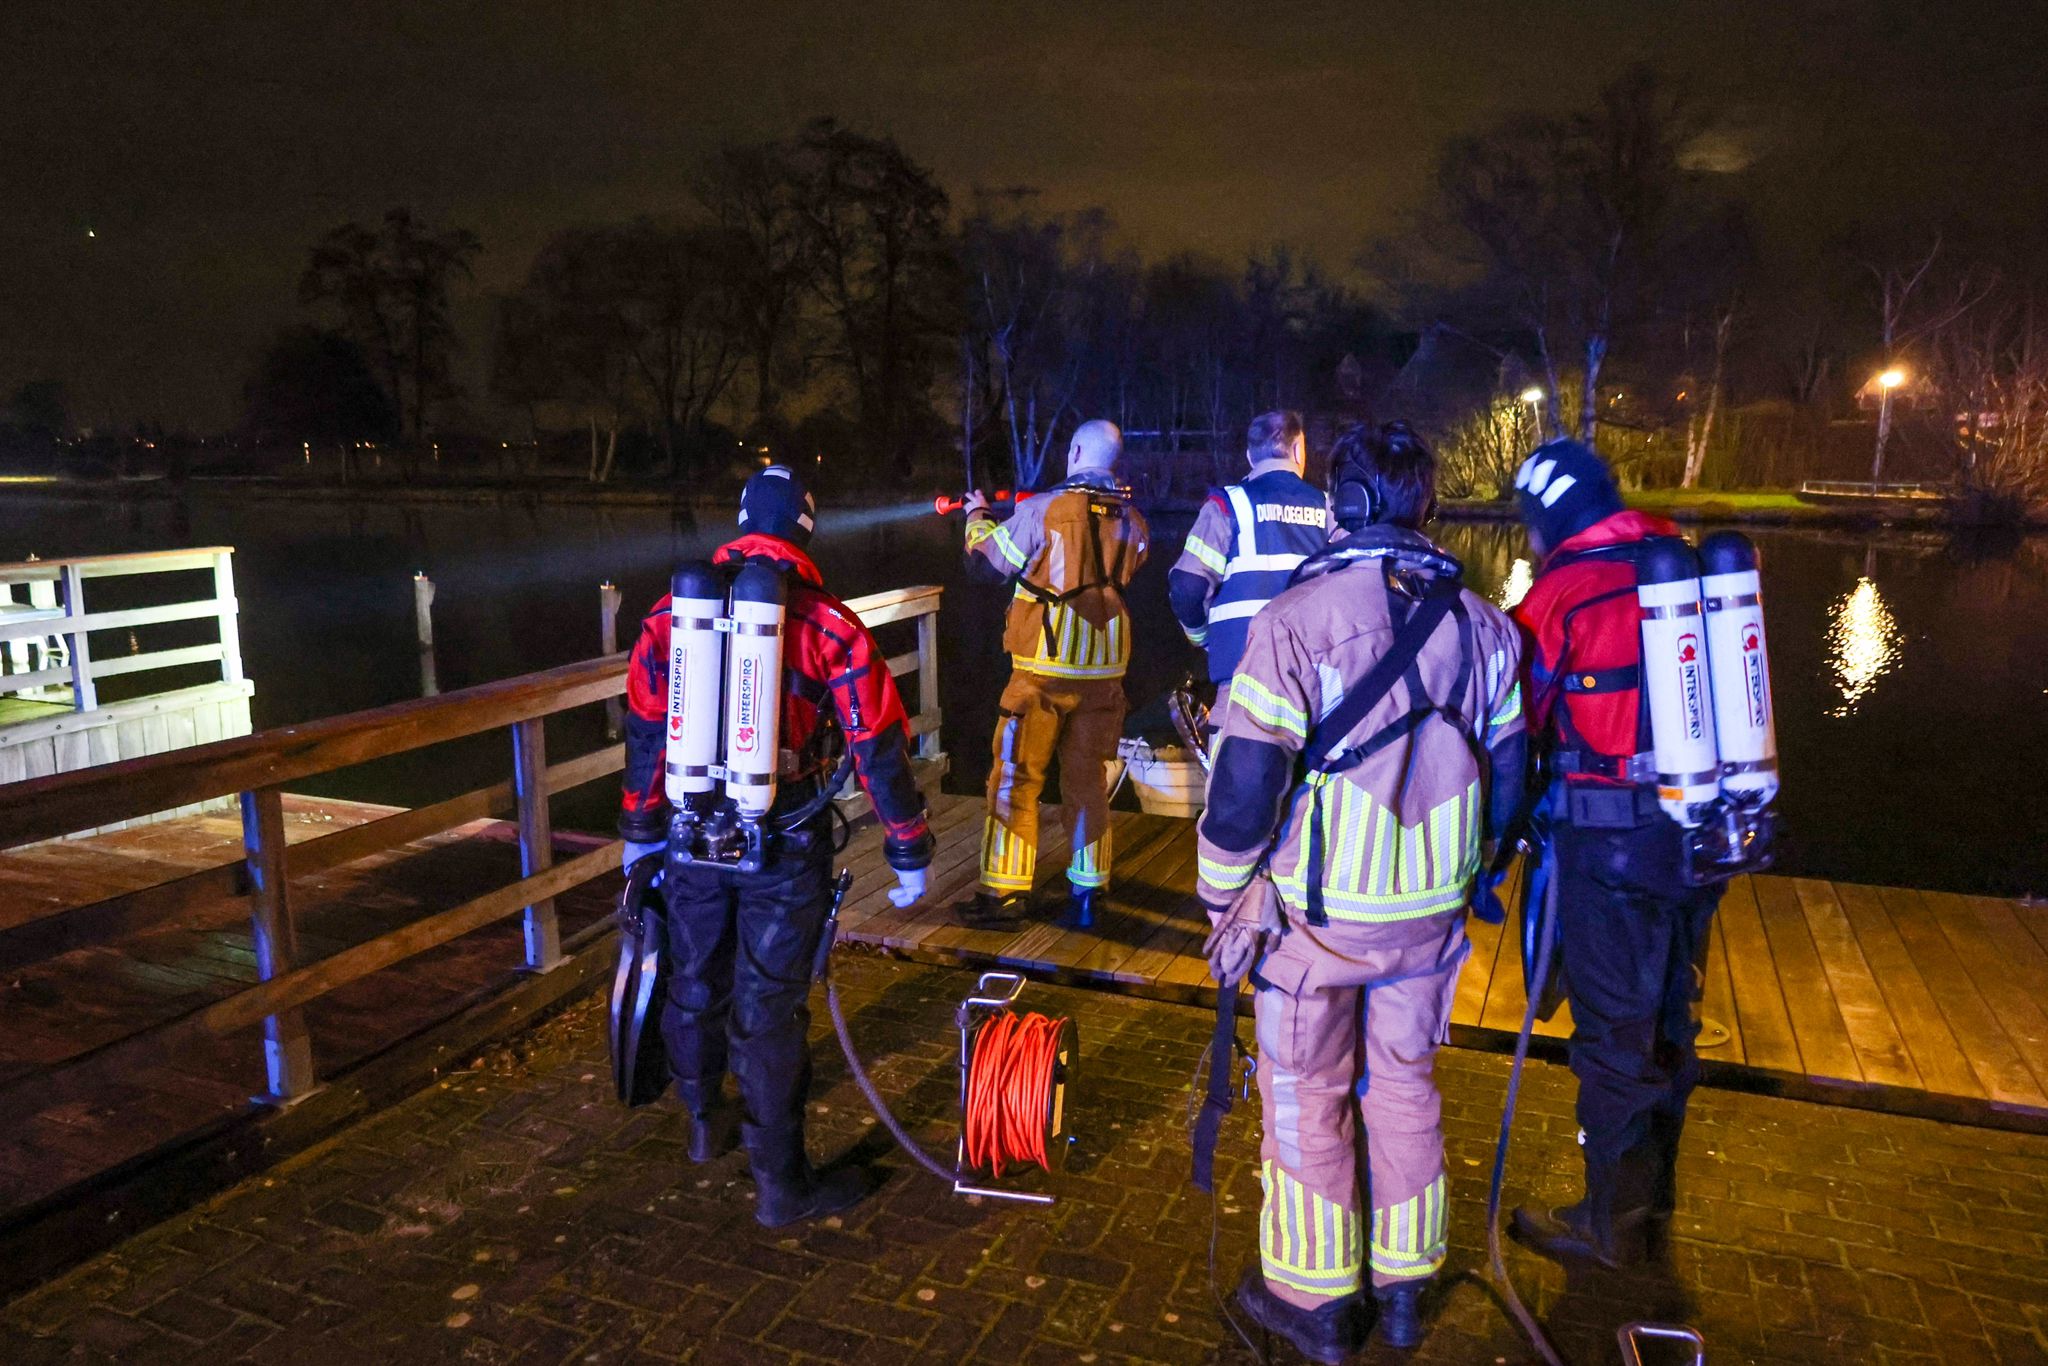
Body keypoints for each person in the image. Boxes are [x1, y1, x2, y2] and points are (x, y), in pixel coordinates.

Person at [1198, 422, 1525, 1358]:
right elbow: (1509, 781)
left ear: (1340, 505)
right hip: (1429, 923)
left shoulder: (1295, 621)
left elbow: (1245, 792)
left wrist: (1224, 901)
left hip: (1317, 924)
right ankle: (1408, 1291)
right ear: (1427, 506)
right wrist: (1470, 876)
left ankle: (1316, 1306)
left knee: (1306, 1095)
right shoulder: (1488, 627)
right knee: (1408, 1090)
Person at [618, 464, 934, 1227]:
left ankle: (703, 1126)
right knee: (769, 1008)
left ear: (740, 521)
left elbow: (646, 731)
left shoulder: (669, 616)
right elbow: (876, 744)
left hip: (689, 831)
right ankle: (781, 1186)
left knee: (694, 979)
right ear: (806, 529)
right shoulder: (830, 626)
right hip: (782, 840)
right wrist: (909, 849)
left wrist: (639, 831)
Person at [1505, 438, 1724, 1268]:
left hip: (1610, 845)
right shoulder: (1688, 567)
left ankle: (1609, 1222)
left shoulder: (1564, 593)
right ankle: (1649, 1200)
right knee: (1672, 1013)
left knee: (1613, 1032)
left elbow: (1517, 720)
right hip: (1700, 838)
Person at [956, 418, 1150, 929]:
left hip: (1042, 673)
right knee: (1088, 783)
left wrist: (977, 516)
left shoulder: (1040, 511)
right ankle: (1089, 893)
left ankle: (1003, 894)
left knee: (1015, 779)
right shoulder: (1133, 519)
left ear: (1077, 451)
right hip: (1106, 672)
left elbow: (986, 563)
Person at [1168, 410, 1331, 694]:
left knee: (1232, 739)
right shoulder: (1328, 507)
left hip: (1242, 676)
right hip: (1314, 679)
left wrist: (1203, 637)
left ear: (1249, 456)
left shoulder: (1227, 505)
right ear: (1297, 450)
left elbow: (1187, 586)